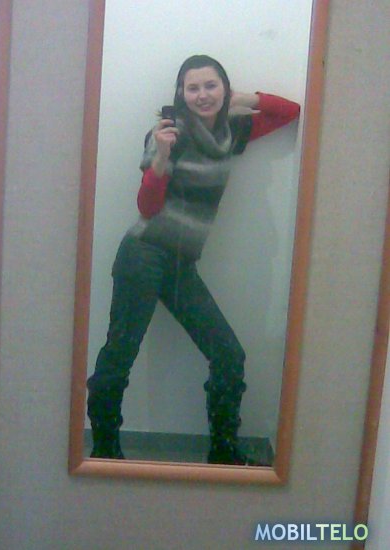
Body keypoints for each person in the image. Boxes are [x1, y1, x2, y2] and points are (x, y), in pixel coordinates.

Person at [87, 54, 300, 465]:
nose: (202, 94)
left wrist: (245, 98)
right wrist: (161, 156)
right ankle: (105, 450)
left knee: (228, 355)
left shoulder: (232, 132)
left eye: (211, 85)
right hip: (143, 255)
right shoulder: (169, 134)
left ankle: (223, 451)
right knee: (119, 354)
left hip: (181, 265)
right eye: (193, 87)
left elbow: (290, 112)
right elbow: (147, 207)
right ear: (181, 94)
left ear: (224, 88)